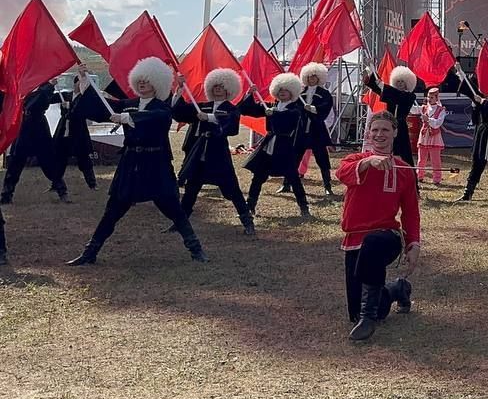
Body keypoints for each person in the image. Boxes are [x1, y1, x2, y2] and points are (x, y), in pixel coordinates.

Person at [66, 58, 207, 265]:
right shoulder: (128, 104)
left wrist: (126, 118)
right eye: (139, 79)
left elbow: (156, 117)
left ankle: (196, 249)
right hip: (130, 164)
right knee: (113, 210)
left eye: (147, 80)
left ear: (157, 83)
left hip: (155, 165)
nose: (142, 83)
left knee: (173, 209)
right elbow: (104, 108)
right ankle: (90, 253)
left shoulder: (162, 107)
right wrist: (85, 81)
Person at [336, 111, 419, 342]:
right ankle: (396, 289)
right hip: (355, 238)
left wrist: (413, 244)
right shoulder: (354, 159)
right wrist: (368, 162)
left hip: (387, 236)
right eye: (375, 130)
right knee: (355, 311)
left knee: (373, 243)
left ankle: (368, 318)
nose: (379, 134)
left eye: (385, 130)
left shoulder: (404, 169)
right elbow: (341, 174)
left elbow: (411, 212)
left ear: (395, 133)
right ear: (368, 134)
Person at [171, 69, 254, 235]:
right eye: (215, 86)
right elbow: (180, 113)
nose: (217, 89)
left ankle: (247, 222)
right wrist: (180, 90)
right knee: (191, 188)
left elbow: (231, 127)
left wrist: (209, 118)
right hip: (199, 154)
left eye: (221, 86)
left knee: (233, 189)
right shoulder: (202, 106)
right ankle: (180, 223)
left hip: (218, 155)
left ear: (228, 89)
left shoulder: (230, 108)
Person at [240, 73, 310, 218]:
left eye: (286, 90)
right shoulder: (270, 106)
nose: (282, 92)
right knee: (258, 176)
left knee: (293, 177)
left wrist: (274, 114)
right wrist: (249, 94)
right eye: (280, 90)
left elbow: (287, 119)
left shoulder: (296, 108)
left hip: (284, 147)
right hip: (268, 145)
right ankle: (250, 206)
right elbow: (248, 110)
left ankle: (304, 207)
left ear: (292, 92)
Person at [1, 81, 70, 204]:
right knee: (16, 161)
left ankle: (62, 190)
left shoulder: (44, 87)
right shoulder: (26, 86)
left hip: (39, 126)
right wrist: (49, 86)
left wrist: (68, 95)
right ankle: (6, 195)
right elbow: (30, 102)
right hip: (25, 125)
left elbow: (44, 99)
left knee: (49, 160)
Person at [293, 62, 336, 196]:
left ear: (319, 77)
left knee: (322, 159)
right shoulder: (300, 93)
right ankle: (287, 184)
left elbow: (327, 106)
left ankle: (327, 186)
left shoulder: (324, 93)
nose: (311, 79)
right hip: (302, 130)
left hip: (317, 130)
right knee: (294, 158)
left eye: (314, 76)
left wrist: (314, 109)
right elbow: (294, 107)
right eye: (309, 76)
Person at [364, 66, 419, 167]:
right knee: (387, 149)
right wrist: (372, 78)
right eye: (398, 81)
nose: (400, 83)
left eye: (402, 81)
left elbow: (397, 95)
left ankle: (408, 174)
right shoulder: (391, 93)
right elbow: (379, 90)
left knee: (403, 152)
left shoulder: (410, 96)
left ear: (408, 83)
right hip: (388, 125)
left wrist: (382, 85)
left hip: (400, 127)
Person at [53, 74, 98, 191]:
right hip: (64, 131)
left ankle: (92, 184)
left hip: (79, 132)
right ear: (75, 83)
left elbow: (82, 110)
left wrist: (70, 105)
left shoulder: (84, 98)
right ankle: (56, 184)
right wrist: (51, 85)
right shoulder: (66, 95)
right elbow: (51, 98)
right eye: (80, 82)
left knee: (84, 159)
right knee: (59, 159)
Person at [414, 87, 448, 185]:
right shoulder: (424, 108)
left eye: (432, 97)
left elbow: (437, 124)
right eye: (428, 97)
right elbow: (413, 109)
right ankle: (419, 176)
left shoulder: (441, 110)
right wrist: (408, 99)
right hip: (424, 136)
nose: (429, 99)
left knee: (435, 160)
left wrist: (428, 119)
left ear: (437, 98)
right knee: (421, 159)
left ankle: (437, 179)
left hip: (434, 137)